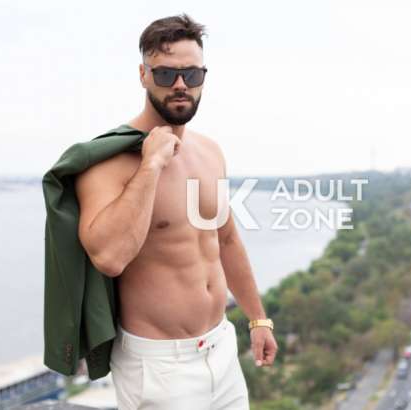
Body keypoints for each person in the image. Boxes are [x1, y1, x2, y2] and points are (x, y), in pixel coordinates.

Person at [74, 14, 278, 409]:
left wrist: (258, 319)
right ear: (143, 75)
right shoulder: (109, 161)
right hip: (160, 367)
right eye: (166, 74)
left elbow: (226, 239)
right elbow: (109, 257)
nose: (181, 85)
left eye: (192, 74)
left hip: (221, 345)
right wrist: (150, 165)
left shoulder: (210, 152)